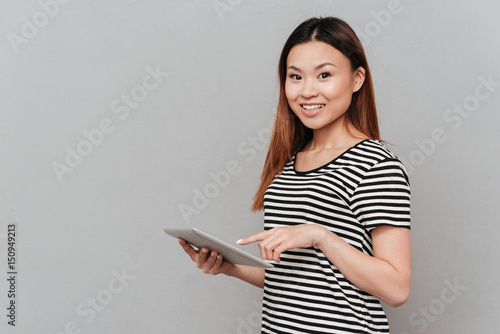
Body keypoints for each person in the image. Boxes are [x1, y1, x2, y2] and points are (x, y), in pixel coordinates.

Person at [178, 16, 411, 333]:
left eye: (324, 75)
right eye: (295, 77)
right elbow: (294, 279)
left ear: (357, 79)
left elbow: (397, 289)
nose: (307, 91)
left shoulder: (376, 164)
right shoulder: (287, 166)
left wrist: (321, 236)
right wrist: (230, 267)